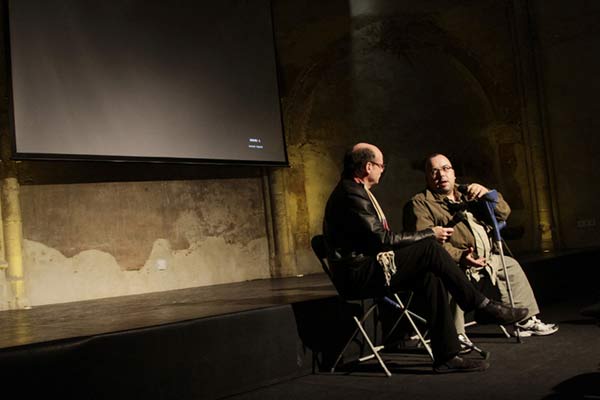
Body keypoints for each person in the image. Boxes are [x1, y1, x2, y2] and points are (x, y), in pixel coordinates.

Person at [322, 143, 528, 373]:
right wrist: (431, 232)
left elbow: (376, 240)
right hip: (358, 275)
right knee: (430, 248)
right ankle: (480, 305)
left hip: (371, 267)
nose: (383, 170)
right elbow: (381, 239)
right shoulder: (351, 194)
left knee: (430, 273)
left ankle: (447, 356)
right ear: (368, 166)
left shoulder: (356, 190)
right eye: (381, 165)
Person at [403, 153, 558, 350]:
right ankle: (455, 335)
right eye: (434, 171)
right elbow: (425, 242)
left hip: (484, 258)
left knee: (510, 266)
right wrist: (461, 257)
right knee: (449, 276)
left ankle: (525, 320)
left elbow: (503, 213)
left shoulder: (468, 193)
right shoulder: (420, 203)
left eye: (445, 169)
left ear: (453, 172)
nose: (441, 175)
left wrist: (488, 194)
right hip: (452, 262)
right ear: (427, 177)